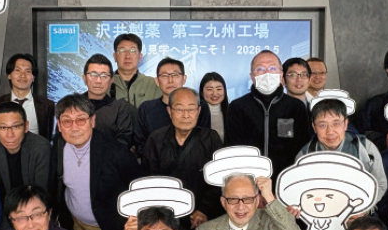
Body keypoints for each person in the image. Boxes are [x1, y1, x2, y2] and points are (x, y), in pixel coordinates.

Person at [293, 97, 387, 230]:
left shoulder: (364, 147)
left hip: (359, 221)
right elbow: (299, 193)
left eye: (336, 123)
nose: (330, 131)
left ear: (345, 123)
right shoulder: (305, 154)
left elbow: (380, 183)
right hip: (322, 225)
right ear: (314, 127)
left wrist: (364, 210)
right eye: (322, 125)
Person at [49, 94, 143, 230]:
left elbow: (139, 188)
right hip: (78, 227)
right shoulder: (58, 147)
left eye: (81, 119)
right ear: (59, 125)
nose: (74, 127)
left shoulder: (116, 152)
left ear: (92, 121)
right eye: (67, 121)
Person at [141, 87, 223, 230]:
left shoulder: (210, 138)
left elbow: (219, 181)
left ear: (198, 111)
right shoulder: (156, 139)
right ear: (169, 111)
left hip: (202, 219)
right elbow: (149, 181)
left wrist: (203, 210)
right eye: (179, 109)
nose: (186, 115)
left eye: (191, 109)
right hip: (166, 221)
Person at [225, 50, 310, 182]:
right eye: (260, 69)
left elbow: (303, 147)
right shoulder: (237, 107)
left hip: (286, 181)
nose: (267, 74)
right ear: (252, 76)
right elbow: (233, 149)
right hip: (249, 183)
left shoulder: (295, 107)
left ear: (281, 74)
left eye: (272, 68)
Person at [0, 101, 51, 210]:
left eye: (16, 127)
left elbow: (41, 192)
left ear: (26, 126)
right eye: (3, 128)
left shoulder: (41, 147)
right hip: (2, 210)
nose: (10, 135)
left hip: (34, 208)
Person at [133, 57, 211, 153]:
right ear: (157, 81)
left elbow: (205, 140)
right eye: (165, 76)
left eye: (175, 75)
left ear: (184, 79)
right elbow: (141, 145)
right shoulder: (146, 109)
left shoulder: (199, 105)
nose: (170, 80)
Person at [0, 53, 55, 139]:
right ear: (9, 75)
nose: (23, 75)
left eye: (28, 71)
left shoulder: (47, 105)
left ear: (33, 77)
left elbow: (47, 138)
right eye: (18, 70)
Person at [80, 53, 136, 149]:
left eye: (104, 75)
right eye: (93, 75)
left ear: (111, 81)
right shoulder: (71, 106)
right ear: (84, 78)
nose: (98, 81)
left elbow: (123, 144)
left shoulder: (121, 108)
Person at [112, 33, 161, 107]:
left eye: (132, 50)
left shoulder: (154, 85)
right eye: (122, 50)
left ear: (140, 57)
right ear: (115, 56)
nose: (127, 56)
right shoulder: (104, 83)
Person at [201, 72, 230, 141]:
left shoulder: (233, 112)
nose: (214, 94)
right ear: (202, 92)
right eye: (209, 89)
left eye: (219, 89)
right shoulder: (195, 113)